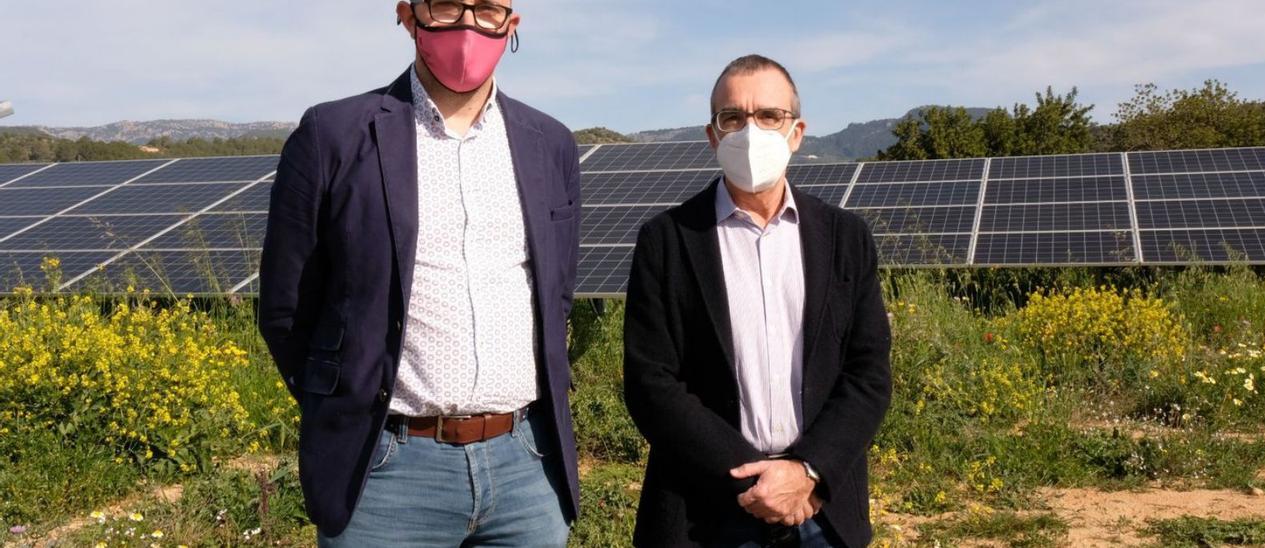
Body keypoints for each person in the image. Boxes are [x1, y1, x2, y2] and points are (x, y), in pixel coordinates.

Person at [258, 0, 581, 544]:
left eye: (487, 10)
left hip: (526, 466)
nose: (467, 26)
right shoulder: (333, 134)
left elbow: (556, 293)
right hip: (385, 474)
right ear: (408, 16)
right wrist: (343, 402)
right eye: (448, 6)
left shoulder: (550, 143)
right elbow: (287, 308)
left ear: (512, 24)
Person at [622, 54, 893, 547]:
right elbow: (651, 382)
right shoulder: (667, 240)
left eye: (769, 116)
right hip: (703, 511)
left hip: (822, 509)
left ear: (796, 132)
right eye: (733, 118)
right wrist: (757, 481)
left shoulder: (845, 238)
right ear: (713, 135)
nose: (751, 131)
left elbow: (867, 373)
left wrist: (808, 471)